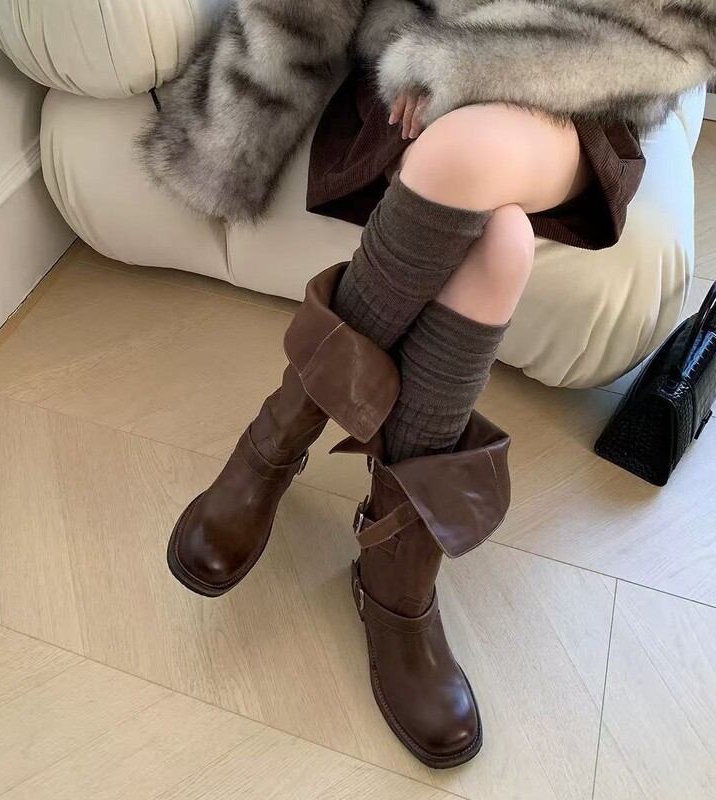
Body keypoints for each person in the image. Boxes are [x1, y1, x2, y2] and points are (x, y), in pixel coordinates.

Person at [151, 0, 715, 770]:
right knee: (503, 245)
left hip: (587, 80)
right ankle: (395, 573)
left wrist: (480, 71)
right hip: (418, 58)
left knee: (466, 152)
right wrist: (437, 53)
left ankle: (281, 434)